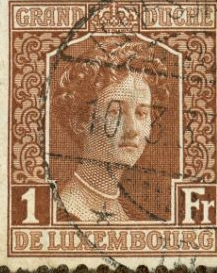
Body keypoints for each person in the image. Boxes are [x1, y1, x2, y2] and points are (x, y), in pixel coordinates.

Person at [50, 35, 173, 223]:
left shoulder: (137, 217)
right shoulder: (60, 213)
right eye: (115, 111)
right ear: (80, 121)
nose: (132, 129)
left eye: (141, 113)